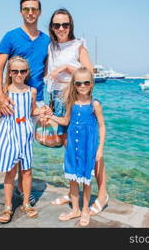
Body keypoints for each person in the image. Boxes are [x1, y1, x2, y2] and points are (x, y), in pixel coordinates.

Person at [0, 0, 50, 204]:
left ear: (39, 12)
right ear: (21, 11)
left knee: (24, 140)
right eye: (26, 9)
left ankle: (21, 184)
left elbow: (46, 70)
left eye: (34, 9)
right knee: (0, 139)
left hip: (33, 97)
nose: (30, 13)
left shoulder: (46, 39)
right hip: (9, 98)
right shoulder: (10, 36)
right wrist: (1, 96)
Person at [45, 8, 109, 215]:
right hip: (57, 99)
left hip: (74, 97)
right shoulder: (51, 46)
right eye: (57, 25)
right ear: (52, 27)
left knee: (92, 152)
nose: (61, 28)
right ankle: (72, 191)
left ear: (71, 25)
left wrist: (65, 69)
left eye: (65, 24)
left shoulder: (78, 44)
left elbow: (89, 74)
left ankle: (102, 195)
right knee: (71, 149)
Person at [46, 67, 106, 226]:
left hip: (88, 148)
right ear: (74, 85)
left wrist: (100, 148)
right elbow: (65, 122)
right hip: (73, 147)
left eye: (86, 82)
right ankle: (75, 210)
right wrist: (50, 116)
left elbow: (102, 127)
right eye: (78, 83)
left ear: (92, 84)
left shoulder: (95, 104)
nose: (82, 86)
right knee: (73, 179)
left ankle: (85, 209)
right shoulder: (71, 103)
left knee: (86, 180)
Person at [0, 56, 41, 223]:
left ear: (27, 73)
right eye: (15, 71)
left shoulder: (32, 91)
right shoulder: (5, 91)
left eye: (23, 71)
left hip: (25, 135)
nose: (19, 74)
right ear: (10, 73)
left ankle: (26, 203)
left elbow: (32, 111)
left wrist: (43, 111)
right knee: (10, 172)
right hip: (9, 135)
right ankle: (8, 206)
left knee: (26, 171)